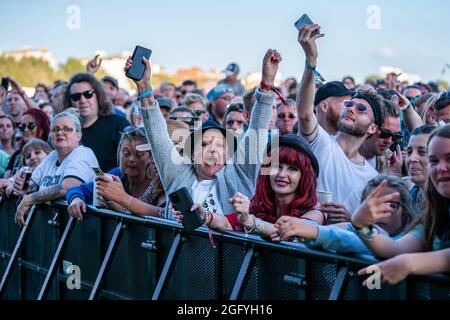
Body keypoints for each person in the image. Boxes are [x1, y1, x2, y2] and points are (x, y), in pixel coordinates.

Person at [126, 49, 279, 218]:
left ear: (229, 155)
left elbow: (258, 128)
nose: (212, 150)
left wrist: (267, 82)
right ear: (192, 155)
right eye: (205, 144)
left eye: (220, 145)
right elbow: (158, 135)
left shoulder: (241, 174)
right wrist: (143, 86)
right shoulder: (177, 175)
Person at [296, 23, 381, 215]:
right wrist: (311, 59)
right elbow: (304, 113)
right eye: (349, 105)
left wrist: (351, 220)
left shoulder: (372, 177)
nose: (351, 109)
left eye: (361, 109)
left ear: (372, 129)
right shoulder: (324, 144)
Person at [350, 125, 450, 264]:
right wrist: (362, 225)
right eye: (434, 161)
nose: (441, 168)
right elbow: (395, 249)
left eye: (422, 152)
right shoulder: (433, 211)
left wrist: (410, 264)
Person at [194, 134, 325, 237]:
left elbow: (289, 234)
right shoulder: (258, 206)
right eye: (276, 166)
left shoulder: (315, 213)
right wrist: (203, 215)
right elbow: (227, 223)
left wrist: (250, 221)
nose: (282, 174)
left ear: (305, 176)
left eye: (292, 169)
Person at [273, 175, 415, 254]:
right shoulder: (358, 229)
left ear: (405, 213)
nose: (378, 213)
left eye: (391, 205)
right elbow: (317, 232)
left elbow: (353, 242)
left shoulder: (407, 241)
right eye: (370, 205)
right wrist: (296, 227)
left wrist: (314, 231)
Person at [13, 110, 99, 226]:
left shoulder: (84, 154)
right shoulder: (52, 156)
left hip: (81, 229)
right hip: (54, 229)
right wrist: (20, 185)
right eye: (55, 129)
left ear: (79, 135)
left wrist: (29, 199)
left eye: (67, 129)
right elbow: (32, 183)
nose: (60, 132)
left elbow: (67, 187)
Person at [66, 126, 165, 219]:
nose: (131, 159)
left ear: (151, 158)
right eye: (126, 153)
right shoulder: (118, 174)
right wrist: (76, 199)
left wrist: (119, 201)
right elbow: (79, 190)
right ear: (119, 152)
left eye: (138, 155)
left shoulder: (159, 181)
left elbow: (163, 215)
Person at [62, 72, 130, 172]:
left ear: (98, 95)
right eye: (76, 96)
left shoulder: (118, 124)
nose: (82, 100)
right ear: (70, 101)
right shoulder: (63, 131)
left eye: (88, 94)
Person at [3, 108, 50, 178]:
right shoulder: (17, 155)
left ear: (42, 128)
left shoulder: (54, 152)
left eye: (31, 125)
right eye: (23, 126)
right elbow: (6, 180)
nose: (25, 129)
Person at [359, 99, 402, 173]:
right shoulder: (340, 153)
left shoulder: (389, 163)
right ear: (370, 127)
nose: (389, 141)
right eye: (385, 134)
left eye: (395, 136)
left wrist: (395, 175)